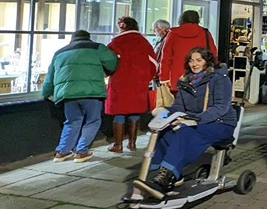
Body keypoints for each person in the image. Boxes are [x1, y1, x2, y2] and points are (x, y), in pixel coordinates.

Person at [137, 48, 237, 199]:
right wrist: (165, 112)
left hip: (221, 123)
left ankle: (166, 177)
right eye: (191, 61)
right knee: (165, 132)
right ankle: (167, 173)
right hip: (194, 121)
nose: (194, 64)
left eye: (198, 60)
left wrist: (196, 120)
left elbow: (221, 107)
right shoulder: (185, 80)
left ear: (207, 61)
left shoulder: (219, 78)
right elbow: (179, 107)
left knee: (184, 133)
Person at [42, 30, 118, 163]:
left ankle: (62, 152)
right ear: (88, 38)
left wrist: (46, 93)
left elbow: (50, 77)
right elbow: (112, 62)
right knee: (93, 121)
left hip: (68, 94)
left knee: (72, 121)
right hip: (92, 92)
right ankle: (81, 152)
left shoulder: (60, 52)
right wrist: (107, 71)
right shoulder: (97, 47)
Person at [105, 17, 158, 153]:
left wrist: (109, 73)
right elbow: (154, 64)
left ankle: (118, 145)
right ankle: (132, 143)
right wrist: (146, 77)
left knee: (119, 113)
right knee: (135, 112)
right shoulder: (143, 42)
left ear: (123, 27)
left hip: (119, 82)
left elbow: (107, 62)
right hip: (138, 83)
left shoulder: (116, 42)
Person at [159, 10, 217, 92]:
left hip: (177, 77)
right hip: (200, 76)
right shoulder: (205, 33)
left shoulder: (173, 34)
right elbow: (213, 54)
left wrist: (164, 78)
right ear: (197, 19)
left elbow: (166, 57)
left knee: (178, 102)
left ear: (181, 19)